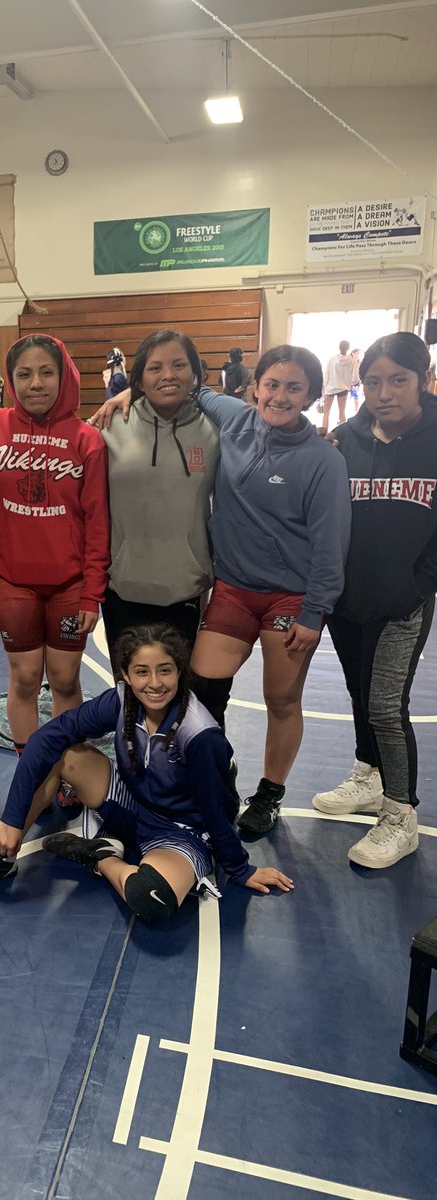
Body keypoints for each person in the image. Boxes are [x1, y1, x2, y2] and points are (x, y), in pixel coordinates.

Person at [0, 623, 293, 907]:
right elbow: (46, 739)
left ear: (180, 672)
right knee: (63, 753)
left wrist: (240, 868)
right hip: (132, 807)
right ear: (125, 675)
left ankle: (99, 855)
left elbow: (217, 809)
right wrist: (11, 819)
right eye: (142, 672)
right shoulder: (121, 700)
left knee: (150, 899)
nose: (154, 683)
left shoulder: (199, 735)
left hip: (180, 832)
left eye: (165, 671)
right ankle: (2, 857)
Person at [189, 345, 351, 834]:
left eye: (294, 387)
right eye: (272, 384)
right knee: (203, 690)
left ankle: (270, 794)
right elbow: (189, 390)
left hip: (291, 598)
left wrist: (314, 612)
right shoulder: (234, 418)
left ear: (311, 396)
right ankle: (219, 773)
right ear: (254, 386)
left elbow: (331, 544)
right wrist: (128, 389)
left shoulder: (323, 460)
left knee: (281, 700)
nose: (280, 396)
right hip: (234, 588)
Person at [313, 332, 437, 868]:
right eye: (374, 381)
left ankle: (399, 814)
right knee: (360, 693)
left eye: (398, 380)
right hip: (348, 597)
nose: (385, 392)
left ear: (423, 381)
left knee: (387, 707)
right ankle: (367, 775)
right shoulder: (345, 437)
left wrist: (419, 583)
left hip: (403, 602)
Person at [0, 334, 109, 753]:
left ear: (63, 375)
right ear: (11, 380)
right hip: (15, 581)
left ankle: (65, 767)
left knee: (67, 680)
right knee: (24, 678)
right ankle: (32, 769)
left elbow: (98, 522)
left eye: (46, 372)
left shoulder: (87, 439)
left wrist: (92, 593)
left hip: (69, 583)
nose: (36, 383)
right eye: (25, 374)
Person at [100, 330, 220, 652]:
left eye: (179, 365)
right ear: (138, 378)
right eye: (155, 368)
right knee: (128, 692)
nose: (168, 375)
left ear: (195, 372)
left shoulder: (216, 429)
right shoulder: (109, 423)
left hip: (186, 587)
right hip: (123, 586)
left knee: (179, 691)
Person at [321, 340, 357, 431]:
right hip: (343, 389)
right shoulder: (352, 361)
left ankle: (324, 434)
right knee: (342, 413)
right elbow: (355, 378)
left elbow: (326, 375)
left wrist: (324, 389)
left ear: (339, 347)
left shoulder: (332, 359)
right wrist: (349, 384)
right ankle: (342, 435)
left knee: (326, 413)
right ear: (348, 348)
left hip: (330, 388)